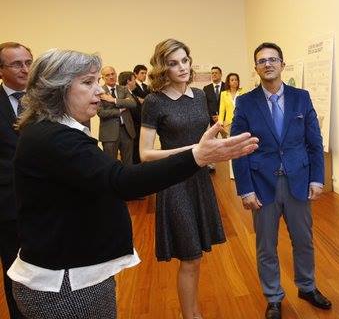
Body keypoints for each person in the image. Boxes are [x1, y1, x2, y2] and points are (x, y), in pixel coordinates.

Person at [7, 49, 258, 319]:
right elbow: (121, 180)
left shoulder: (51, 132)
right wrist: (197, 155)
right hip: (66, 285)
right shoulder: (55, 138)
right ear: (57, 89)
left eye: (96, 81)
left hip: (74, 275)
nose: (99, 90)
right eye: (88, 82)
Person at [232, 42, 332, 319]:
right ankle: (273, 297)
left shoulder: (301, 98)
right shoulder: (246, 102)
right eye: (262, 61)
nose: (268, 64)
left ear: (282, 64)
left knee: (303, 240)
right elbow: (239, 148)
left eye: (273, 59)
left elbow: (314, 143)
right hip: (262, 185)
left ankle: (307, 287)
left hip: (298, 181)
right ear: (256, 68)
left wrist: (317, 179)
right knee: (266, 246)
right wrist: (245, 189)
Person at [139, 39, 228, 319]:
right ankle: (191, 316)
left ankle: (193, 312)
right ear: (162, 68)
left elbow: (205, 138)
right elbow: (145, 154)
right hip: (174, 182)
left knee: (197, 256)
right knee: (190, 257)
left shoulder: (200, 95)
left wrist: (220, 143)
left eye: (185, 61)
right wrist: (192, 151)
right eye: (173, 63)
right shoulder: (154, 101)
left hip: (200, 180)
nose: (182, 67)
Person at [0, 41, 30, 319]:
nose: (25, 69)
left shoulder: (46, 100)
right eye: (17, 64)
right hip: (9, 205)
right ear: (1, 70)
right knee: (15, 271)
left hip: (51, 201)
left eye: (28, 62)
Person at [98, 66, 136, 164]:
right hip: (109, 133)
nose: (111, 77)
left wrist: (113, 100)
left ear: (116, 74)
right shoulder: (99, 91)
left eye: (113, 74)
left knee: (128, 163)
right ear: (103, 78)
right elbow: (101, 113)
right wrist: (119, 110)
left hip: (127, 131)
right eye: (107, 75)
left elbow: (132, 103)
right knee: (110, 163)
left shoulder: (123, 89)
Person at [118, 71, 143, 164]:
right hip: (133, 130)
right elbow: (134, 113)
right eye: (134, 80)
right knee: (133, 158)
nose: (135, 82)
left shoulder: (132, 94)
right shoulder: (123, 96)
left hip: (136, 129)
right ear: (128, 81)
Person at [218, 72, 245, 137]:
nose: (234, 81)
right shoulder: (224, 94)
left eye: (236, 80)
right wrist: (220, 123)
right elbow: (222, 109)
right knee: (229, 141)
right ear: (228, 82)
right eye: (232, 80)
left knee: (240, 140)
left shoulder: (243, 92)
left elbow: (246, 108)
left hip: (241, 122)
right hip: (228, 123)